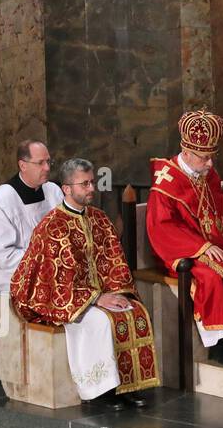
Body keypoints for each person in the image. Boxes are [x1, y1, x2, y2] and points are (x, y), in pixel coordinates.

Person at [12, 158, 158, 409]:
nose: (91, 188)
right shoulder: (53, 226)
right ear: (66, 189)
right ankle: (101, 391)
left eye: (92, 182)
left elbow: (115, 261)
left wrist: (119, 292)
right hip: (66, 301)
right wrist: (96, 298)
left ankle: (129, 385)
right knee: (101, 321)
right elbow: (56, 281)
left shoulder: (99, 219)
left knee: (133, 312)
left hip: (100, 295)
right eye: (85, 184)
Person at [146, 109, 223, 364]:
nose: (211, 164)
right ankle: (222, 345)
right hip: (185, 253)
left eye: (212, 157)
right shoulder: (166, 182)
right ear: (187, 153)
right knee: (212, 276)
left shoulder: (207, 173)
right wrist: (200, 246)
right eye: (204, 158)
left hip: (220, 243)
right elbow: (162, 227)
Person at [0, 140, 64, 295]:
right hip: (10, 282)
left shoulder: (53, 191)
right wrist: (51, 261)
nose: (47, 168)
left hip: (51, 273)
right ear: (23, 165)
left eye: (48, 161)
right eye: (40, 163)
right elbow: (2, 257)